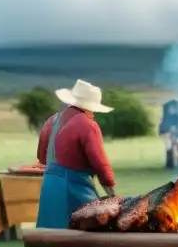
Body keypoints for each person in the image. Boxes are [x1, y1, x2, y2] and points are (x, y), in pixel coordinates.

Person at [35, 80, 117, 228]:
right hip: (74, 186)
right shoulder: (87, 125)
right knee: (88, 229)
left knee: (57, 235)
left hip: (50, 183)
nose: (93, 113)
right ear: (88, 107)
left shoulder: (52, 120)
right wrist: (110, 188)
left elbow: (42, 157)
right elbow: (100, 162)